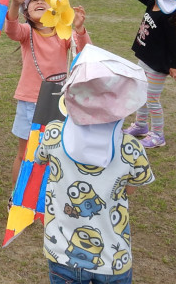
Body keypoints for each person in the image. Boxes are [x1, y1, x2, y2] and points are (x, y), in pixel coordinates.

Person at [36, 44, 155, 283]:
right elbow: (130, 188)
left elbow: (41, 160)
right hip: (113, 257)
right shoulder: (131, 149)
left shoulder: (52, 134)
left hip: (61, 253)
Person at [4, 0, 91, 191]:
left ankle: (50, 193)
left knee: (56, 152)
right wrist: (14, 5)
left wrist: (78, 28)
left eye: (46, 0)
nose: (40, 2)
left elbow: (85, 52)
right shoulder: (27, 32)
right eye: (34, 0)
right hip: (29, 102)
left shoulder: (63, 34)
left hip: (58, 103)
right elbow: (11, 28)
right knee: (25, 153)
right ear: (27, 12)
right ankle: (18, 196)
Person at [110, 0, 176, 149]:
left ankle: (158, 135)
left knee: (151, 99)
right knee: (140, 94)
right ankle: (141, 125)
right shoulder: (152, 3)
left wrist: (175, 65)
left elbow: (173, 43)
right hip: (145, 58)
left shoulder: (167, 15)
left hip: (158, 65)